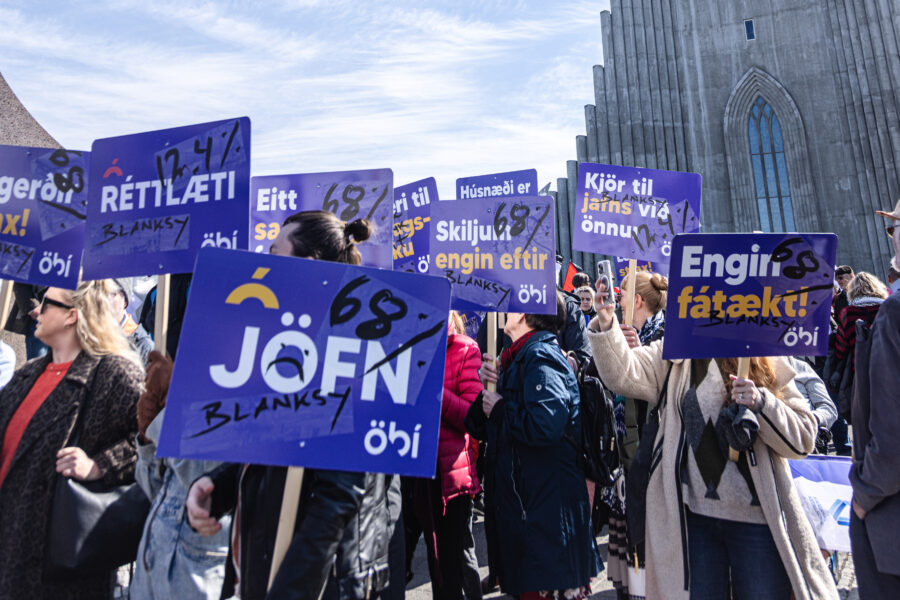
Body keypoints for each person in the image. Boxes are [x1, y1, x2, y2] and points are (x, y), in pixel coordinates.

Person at [186, 211, 396, 600]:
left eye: (273, 253)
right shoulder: (285, 345)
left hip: (320, 583)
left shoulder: (352, 351)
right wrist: (219, 484)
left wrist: (289, 592)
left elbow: (338, 495)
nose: (262, 263)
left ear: (307, 266)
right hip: (262, 567)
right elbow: (272, 443)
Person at [587, 300, 838, 599]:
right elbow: (624, 374)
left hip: (757, 523)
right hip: (694, 520)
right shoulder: (677, 355)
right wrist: (606, 323)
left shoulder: (765, 355)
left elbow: (803, 437)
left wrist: (761, 403)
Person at [0, 280, 144, 599]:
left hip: (59, 563)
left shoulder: (113, 372)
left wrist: (99, 465)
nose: (37, 309)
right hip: (11, 542)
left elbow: (150, 443)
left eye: (47, 302)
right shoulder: (29, 373)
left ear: (72, 315)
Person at [467, 296, 601, 599]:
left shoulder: (541, 357)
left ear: (526, 314)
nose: (505, 310)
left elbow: (545, 424)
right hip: (531, 516)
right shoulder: (516, 358)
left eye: (512, 304)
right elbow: (477, 425)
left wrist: (500, 408)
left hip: (547, 519)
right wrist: (488, 388)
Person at [599, 270, 667, 599]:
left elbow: (664, 394)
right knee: (631, 557)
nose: (618, 300)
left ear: (637, 300)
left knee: (649, 551)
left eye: (622, 294)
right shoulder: (629, 331)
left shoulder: (663, 337)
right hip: (626, 461)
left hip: (651, 461)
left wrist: (638, 356)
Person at [406, 311, 482, 600]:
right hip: (409, 469)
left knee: (451, 564)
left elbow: (472, 417)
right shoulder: (405, 343)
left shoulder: (465, 348)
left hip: (448, 476)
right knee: (413, 559)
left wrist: (435, 393)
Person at [849, 199, 900, 597]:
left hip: (890, 520)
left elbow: (891, 431)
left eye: (894, 226)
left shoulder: (895, 313)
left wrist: (864, 497)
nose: (892, 235)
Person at [834, 271, 888, 365]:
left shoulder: (848, 313)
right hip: (890, 364)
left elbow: (841, 350)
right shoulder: (888, 308)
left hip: (861, 366)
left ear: (851, 291)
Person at [788, 357, 837, 453]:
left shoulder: (801, 367)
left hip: (807, 443)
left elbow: (829, 409)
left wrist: (810, 420)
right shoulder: (756, 374)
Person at [110, 278, 153, 364]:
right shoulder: (90, 338)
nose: (104, 299)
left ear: (125, 302)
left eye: (112, 294)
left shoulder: (143, 345)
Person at [4, 283, 48, 358]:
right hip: (38, 319)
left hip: (63, 321)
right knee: (38, 361)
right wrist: (32, 308)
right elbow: (20, 282)